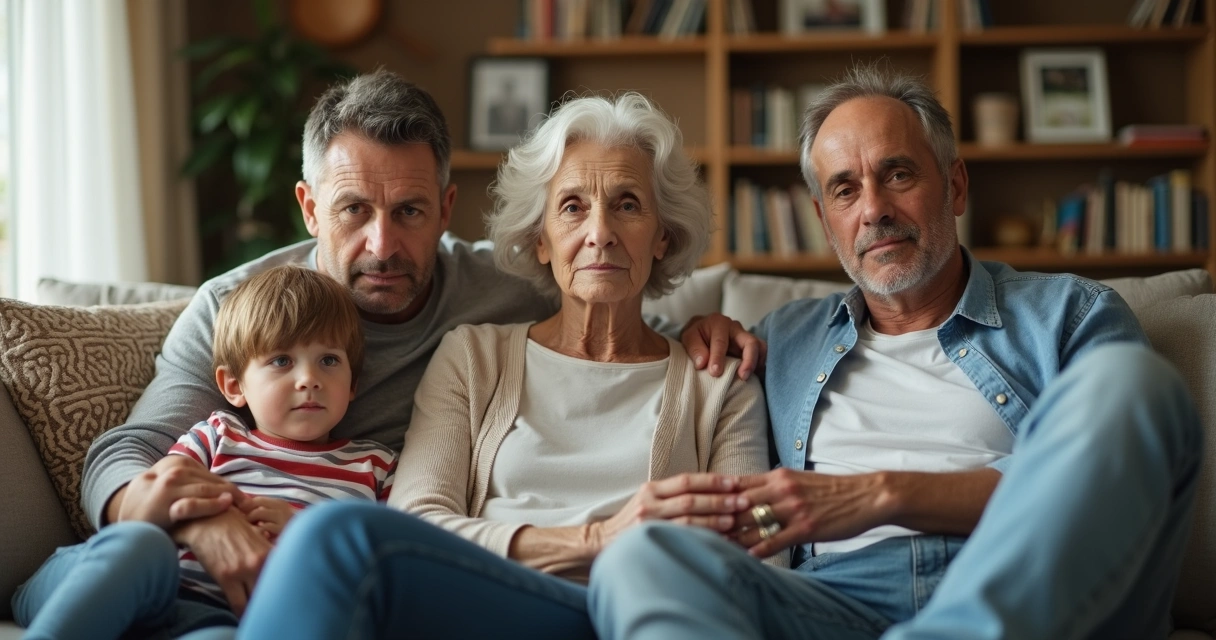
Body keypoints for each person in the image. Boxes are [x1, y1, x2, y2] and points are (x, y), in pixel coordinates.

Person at [77, 70, 760, 625]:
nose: (382, 246)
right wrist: (202, 525)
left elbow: (607, 308)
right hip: (296, 561)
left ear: (444, 206)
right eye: (353, 211)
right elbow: (126, 452)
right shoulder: (240, 307)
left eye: (409, 212)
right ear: (310, 209)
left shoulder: (501, 288)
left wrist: (702, 326)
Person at [587, 66, 1203, 639]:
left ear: (955, 186)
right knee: (642, 558)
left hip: (1034, 586)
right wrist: (704, 324)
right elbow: (618, 323)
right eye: (845, 190)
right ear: (825, 220)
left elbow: (1103, 484)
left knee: (1132, 381)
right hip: (835, 606)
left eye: (898, 174)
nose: (875, 209)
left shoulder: (1070, 314)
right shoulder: (785, 337)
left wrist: (883, 494)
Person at [13, 266, 397, 640]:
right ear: (234, 385)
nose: (309, 379)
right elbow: (161, 499)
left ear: (352, 384)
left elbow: (388, 567)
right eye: (281, 361)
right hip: (134, 582)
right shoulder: (216, 434)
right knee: (140, 547)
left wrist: (307, 533)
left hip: (213, 620)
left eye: (329, 360)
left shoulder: (375, 467)